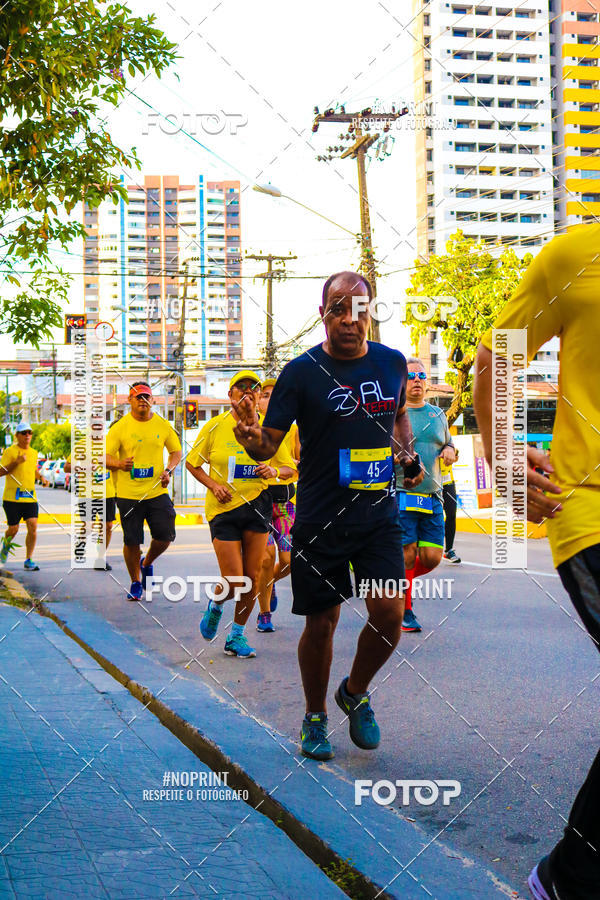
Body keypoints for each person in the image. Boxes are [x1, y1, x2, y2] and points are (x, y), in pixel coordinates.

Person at [232, 271, 423, 760]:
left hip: (378, 515)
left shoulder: (392, 363)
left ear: (370, 314)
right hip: (321, 519)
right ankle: (315, 717)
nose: (348, 319)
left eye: (358, 309)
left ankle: (354, 691)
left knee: (389, 614)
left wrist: (406, 454)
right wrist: (251, 440)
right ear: (323, 314)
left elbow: (398, 415)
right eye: (338, 308)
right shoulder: (301, 372)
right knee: (322, 624)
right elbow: (267, 442)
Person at [473, 226, 600, 900]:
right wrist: (504, 449)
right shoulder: (575, 255)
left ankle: (571, 876)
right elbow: (499, 354)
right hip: (587, 505)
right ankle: (570, 879)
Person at [187, 371, 285, 657]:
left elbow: (291, 467)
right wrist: (214, 486)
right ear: (230, 396)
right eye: (240, 389)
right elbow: (193, 464)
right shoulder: (215, 426)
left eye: (252, 389)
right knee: (233, 580)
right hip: (224, 509)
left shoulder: (270, 429)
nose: (247, 393)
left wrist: (274, 471)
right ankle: (216, 605)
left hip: (258, 504)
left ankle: (236, 636)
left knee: (252, 578)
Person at [394, 359, 456, 633]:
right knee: (407, 553)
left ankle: (392, 582)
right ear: (402, 382)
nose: (417, 380)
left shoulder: (438, 415)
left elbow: (448, 443)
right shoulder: (394, 415)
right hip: (402, 493)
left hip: (432, 495)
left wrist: (452, 450)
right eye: (411, 376)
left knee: (432, 557)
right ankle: (405, 610)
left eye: (421, 375)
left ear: (427, 382)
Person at [106, 382, 181, 601]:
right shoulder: (119, 428)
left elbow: (176, 452)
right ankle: (136, 582)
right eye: (137, 397)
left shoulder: (162, 425)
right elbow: (105, 457)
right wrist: (120, 464)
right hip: (128, 495)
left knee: (166, 535)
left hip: (157, 491)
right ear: (129, 400)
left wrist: (169, 470)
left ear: (152, 400)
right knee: (131, 541)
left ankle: (146, 562)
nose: (142, 400)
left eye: (146, 396)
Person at [255, 377, 298, 633]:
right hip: (258, 503)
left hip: (285, 502)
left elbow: (294, 467)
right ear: (257, 401)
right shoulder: (250, 429)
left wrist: (275, 471)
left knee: (289, 560)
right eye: (265, 395)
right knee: (265, 559)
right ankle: (264, 613)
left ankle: (267, 585)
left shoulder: (290, 430)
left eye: (274, 394)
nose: (269, 399)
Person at [65, 442, 117, 571]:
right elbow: (67, 467)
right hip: (87, 493)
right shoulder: (81, 446)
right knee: (88, 525)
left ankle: (100, 558)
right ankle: (81, 544)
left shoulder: (111, 445)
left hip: (108, 493)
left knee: (107, 526)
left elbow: (118, 465)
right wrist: (84, 469)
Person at [0, 422, 40, 570]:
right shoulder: (10, 452)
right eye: (24, 433)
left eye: (29, 432)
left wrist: (41, 477)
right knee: (14, 529)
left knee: (33, 526)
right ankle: (4, 549)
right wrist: (16, 462)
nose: (27, 435)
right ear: (16, 435)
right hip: (12, 498)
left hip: (30, 497)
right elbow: (1, 471)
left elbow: (31, 469)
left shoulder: (34, 453)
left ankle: (29, 559)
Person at [441, 457, 461, 564]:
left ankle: (449, 550)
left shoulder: (447, 440)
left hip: (447, 480)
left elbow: (454, 454)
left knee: (452, 513)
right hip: (429, 479)